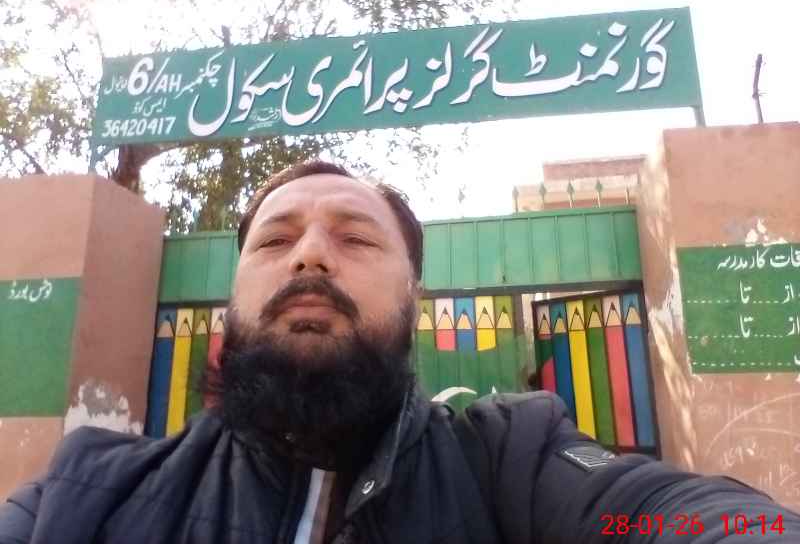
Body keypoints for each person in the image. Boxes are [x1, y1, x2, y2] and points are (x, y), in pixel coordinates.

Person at [1, 160, 798, 544]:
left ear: (414, 298)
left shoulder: (513, 460)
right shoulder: (85, 493)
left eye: (354, 238)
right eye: (276, 240)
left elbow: (674, 517)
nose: (310, 256)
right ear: (231, 298)